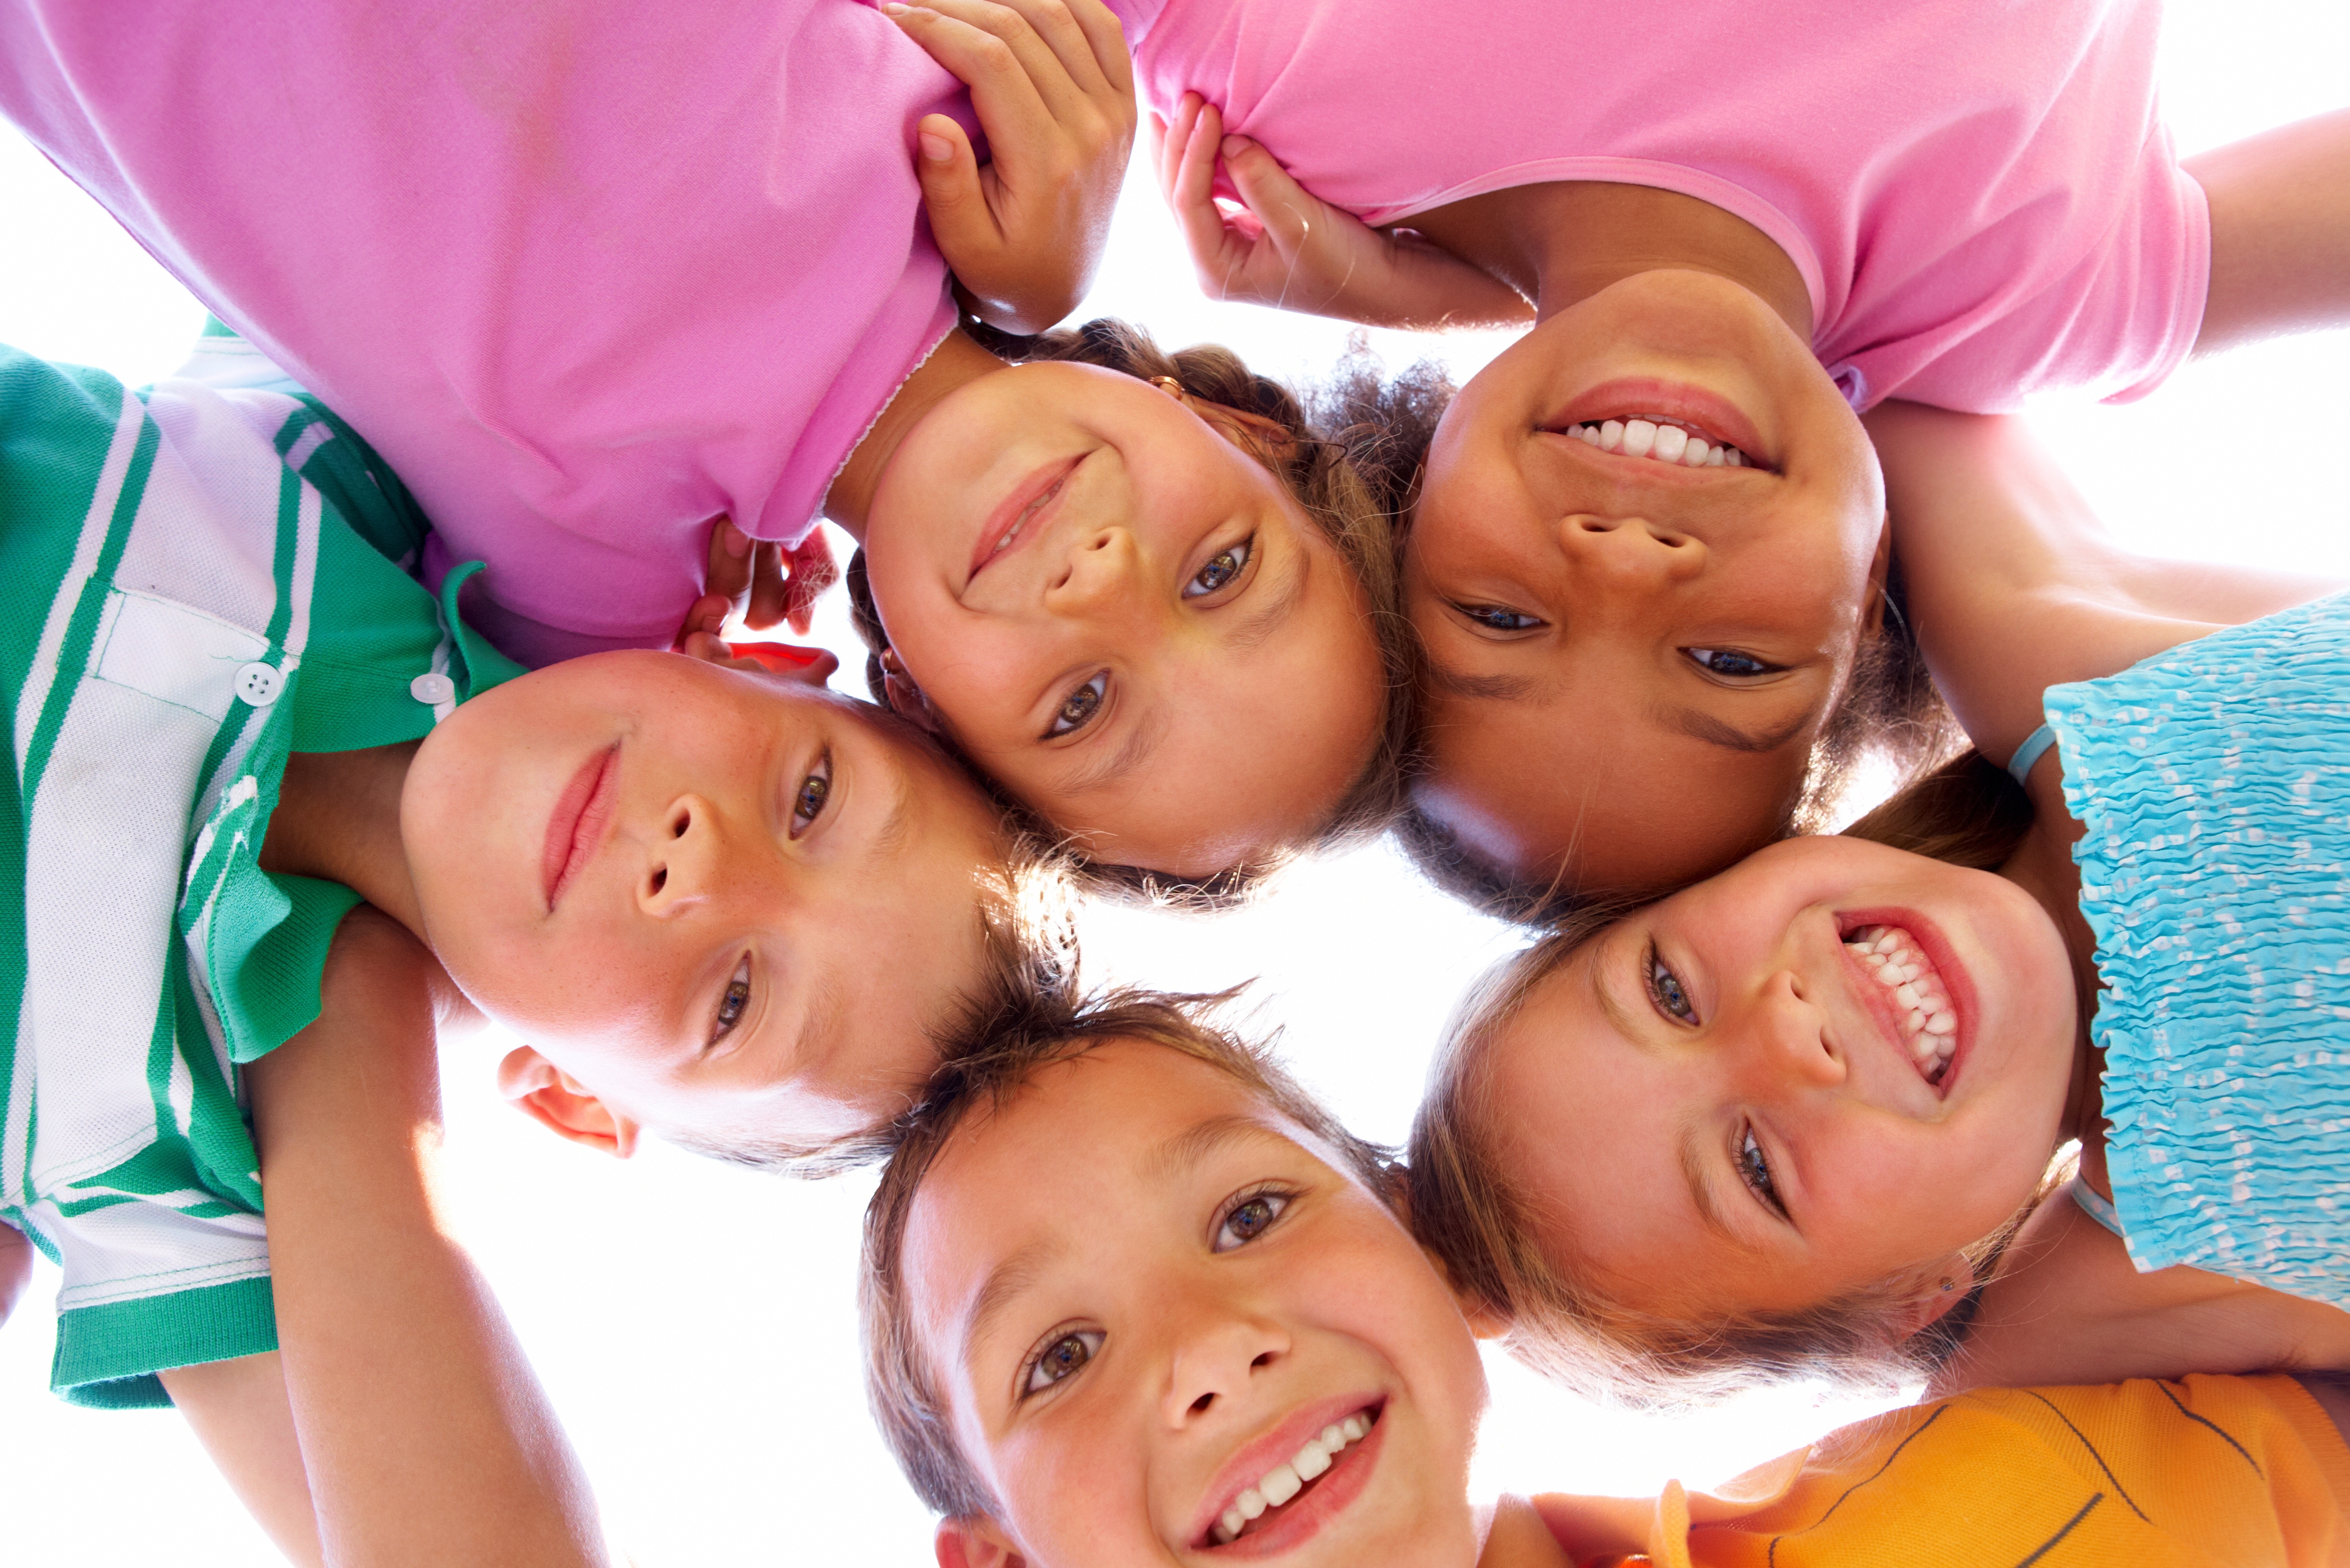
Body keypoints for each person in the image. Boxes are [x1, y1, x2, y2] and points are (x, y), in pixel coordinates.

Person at [0, 329, 1061, 1551]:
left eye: (734, 1001)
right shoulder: (396, 485)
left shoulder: (201, 1167)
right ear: (749, 662)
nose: (698, 864)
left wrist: (351, 1027)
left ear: (572, 1096)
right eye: (811, 798)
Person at [0, 0, 1415, 886]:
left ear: (921, 715)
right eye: (1220, 570)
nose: (1099, 584)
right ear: (1235, 428)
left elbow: (470, 816)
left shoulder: (592, 587)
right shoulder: (1017, 90)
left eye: (1080, 706)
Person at [1134, 0, 2350, 906]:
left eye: (1501, 618)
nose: (1627, 561)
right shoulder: (2038, 301)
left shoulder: (1268, 86)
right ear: (1860, 597)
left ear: (1408, 498)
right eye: (1728, 660)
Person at [1404, 406, 2350, 1405]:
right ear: (1913, 1297)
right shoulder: (2142, 1284)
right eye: (1756, 1169)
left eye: (1670, 989)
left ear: (1714, 868)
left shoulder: (2058, 684)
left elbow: (1868, 373)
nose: (1783, 1032)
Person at [857, 986, 2350, 1566]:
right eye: (1058, 1355)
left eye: (1251, 1213)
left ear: (1428, 1249)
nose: (1206, 1348)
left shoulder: (2015, 1454)